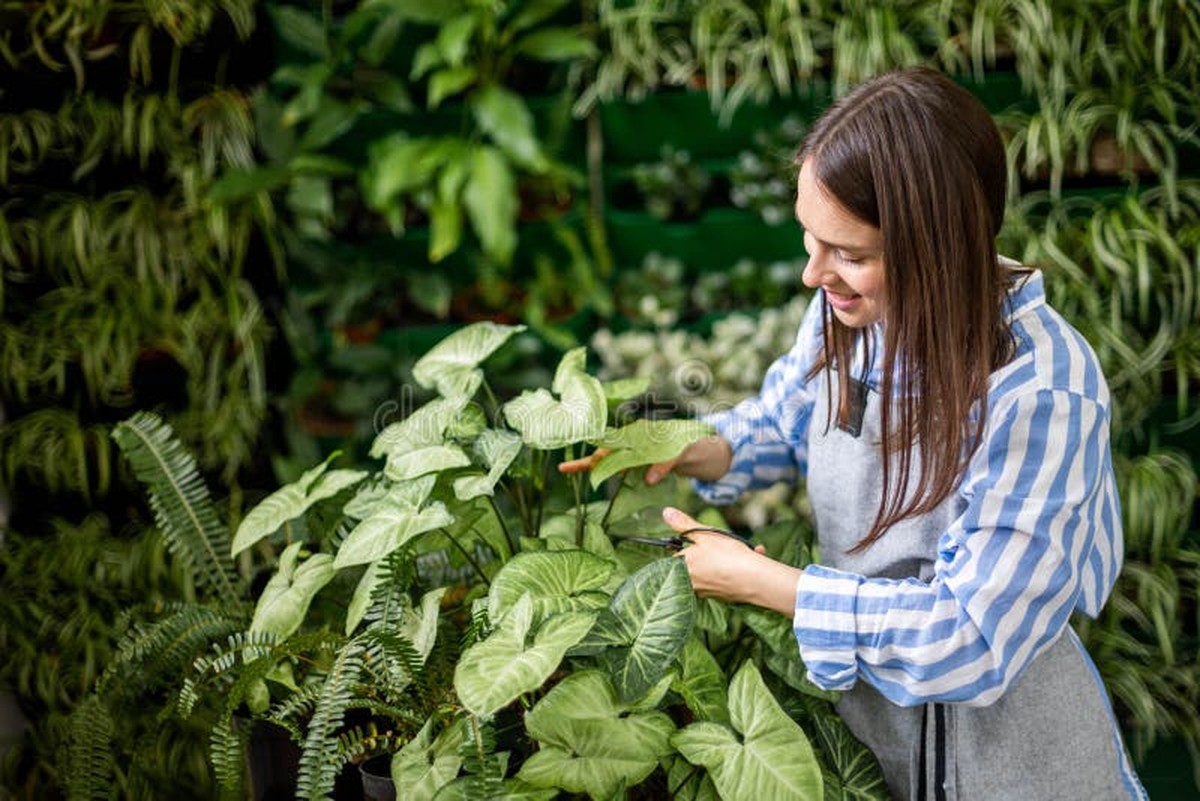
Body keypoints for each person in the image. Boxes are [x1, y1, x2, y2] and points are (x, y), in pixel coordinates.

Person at [561, 67, 1146, 800]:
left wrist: (768, 584)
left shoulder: (1042, 392)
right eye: (811, 238)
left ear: (938, 247)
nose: (813, 273)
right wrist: (682, 446)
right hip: (874, 751)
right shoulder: (852, 316)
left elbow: (969, 633)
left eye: (849, 252)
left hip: (1014, 768)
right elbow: (786, 417)